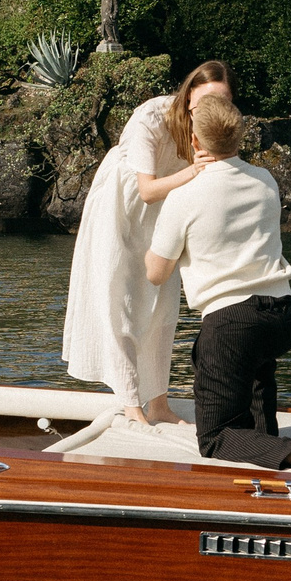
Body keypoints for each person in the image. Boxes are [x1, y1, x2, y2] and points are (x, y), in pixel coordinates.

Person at [145, 96, 291, 476]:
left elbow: (156, 272)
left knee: (215, 437)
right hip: (282, 314)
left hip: (232, 322)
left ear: (195, 143)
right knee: (254, 379)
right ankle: (271, 464)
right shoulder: (264, 180)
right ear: (239, 138)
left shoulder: (184, 197)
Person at [60, 60, 234, 424]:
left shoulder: (214, 128)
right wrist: (194, 170)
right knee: (118, 301)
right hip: (120, 209)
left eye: (222, 100)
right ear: (188, 97)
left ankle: (159, 405)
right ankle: (131, 405)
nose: (212, 109)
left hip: (166, 215)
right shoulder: (151, 117)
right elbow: (146, 189)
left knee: (164, 307)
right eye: (205, 101)